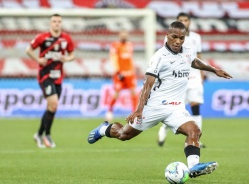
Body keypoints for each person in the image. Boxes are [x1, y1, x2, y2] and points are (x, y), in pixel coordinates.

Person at [87, 21, 232, 178]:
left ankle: (193, 167)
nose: (178, 41)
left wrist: (214, 69)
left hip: (176, 108)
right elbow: (147, 85)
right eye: (174, 37)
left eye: (181, 38)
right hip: (154, 107)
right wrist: (139, 109)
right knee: (123, 134)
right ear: (167, 36)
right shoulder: (159, 57)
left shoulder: (188, 51)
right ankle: (103, 129)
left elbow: (194, 61)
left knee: (195, 131)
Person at [158, 12, 206, 147]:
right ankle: (164, 128)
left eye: (186, 20)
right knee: (175, 109)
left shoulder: (197, 37)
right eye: (181, 20)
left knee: (195, 106)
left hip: (195, 76)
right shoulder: (170, 38)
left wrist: (201, 75)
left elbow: (199, 56)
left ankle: (196, 137)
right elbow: (165, 57)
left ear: (189, 22)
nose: (184, 22)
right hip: (178, 78)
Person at [26, 14, 74, 148]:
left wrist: (67, 59)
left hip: (58, 77)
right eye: (54, 21)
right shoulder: (42, 37)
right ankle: (47, 135)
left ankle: (39, 134)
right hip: (45, 76)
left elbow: (72, 55)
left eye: (59, 21)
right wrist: (38, 60)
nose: (57, 23)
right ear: (50, 23)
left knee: (51, 107)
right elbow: (28, 49)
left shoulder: (66, 38)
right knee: (53, 104)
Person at [105, 30, 137, 121]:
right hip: (120, 73)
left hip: (130, 73)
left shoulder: (130, 45)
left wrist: (133, 70)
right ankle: (109, 111)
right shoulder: (115, 45)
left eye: (125, 35)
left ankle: (134, 113)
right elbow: (113, 58)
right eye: (122, 35)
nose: (124, 37)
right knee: (116, 93)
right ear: (119, 36)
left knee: (133, 93)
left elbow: (130, 59)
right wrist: (118, 71)